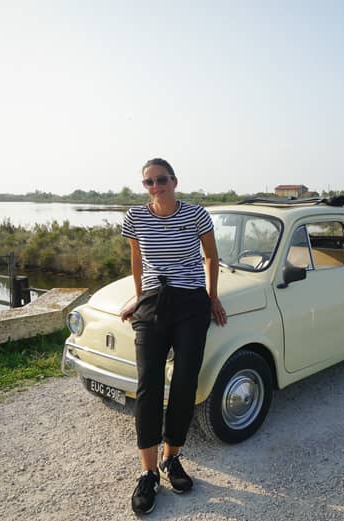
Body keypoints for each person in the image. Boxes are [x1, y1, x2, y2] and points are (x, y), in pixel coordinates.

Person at [119, 158, 226, 515]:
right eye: (148, 182)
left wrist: (212, 298)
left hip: (191, 303)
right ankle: (148, 472)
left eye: (161, 180)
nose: (155, 187)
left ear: (174, 181)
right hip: (153, 303)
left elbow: (211, 256)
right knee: (148, 383)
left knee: (184, 381)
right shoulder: (135, 217)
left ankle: (172, 457)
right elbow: (138, 260)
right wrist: (138, 296)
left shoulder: (196, 214)